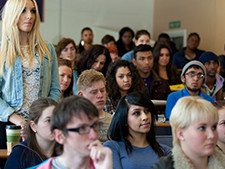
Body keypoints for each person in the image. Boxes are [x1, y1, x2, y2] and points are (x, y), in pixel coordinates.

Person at [0, 0, 61, 165]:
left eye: (33, 11)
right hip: (8, 125)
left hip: (41, 126)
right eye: (23, 11)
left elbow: (55, 88)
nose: (29, 16)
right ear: (13, 14)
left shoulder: (47, 49)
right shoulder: (2, 50)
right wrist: (19, 121)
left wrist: (43, 118)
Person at [29, 96, 113, 169]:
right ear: (60, 136)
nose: (94, 135)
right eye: (82, 128)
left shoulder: (103, 164)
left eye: (95, 125)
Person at [152, 97, 225, 169]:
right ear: (181, 134)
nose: (211, 135)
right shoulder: (163, 167)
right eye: (201, 128)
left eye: (214, 127)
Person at [104, 91, 171, 169]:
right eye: (136, 113)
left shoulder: (165, 151)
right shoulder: (112, 147)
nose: (145, 117)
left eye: (147, 111)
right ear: (124, 119)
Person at [5, 98, 58, 169]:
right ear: (33, 126)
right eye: (48, 120)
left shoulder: (67, 151)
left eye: (58, 119)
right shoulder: (19, 154)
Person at [77, 69, 112, 143]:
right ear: (81, 95)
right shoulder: (75, 122)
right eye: (94, 92)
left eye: (102, 90)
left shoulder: (114, 121)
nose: (100, 95)